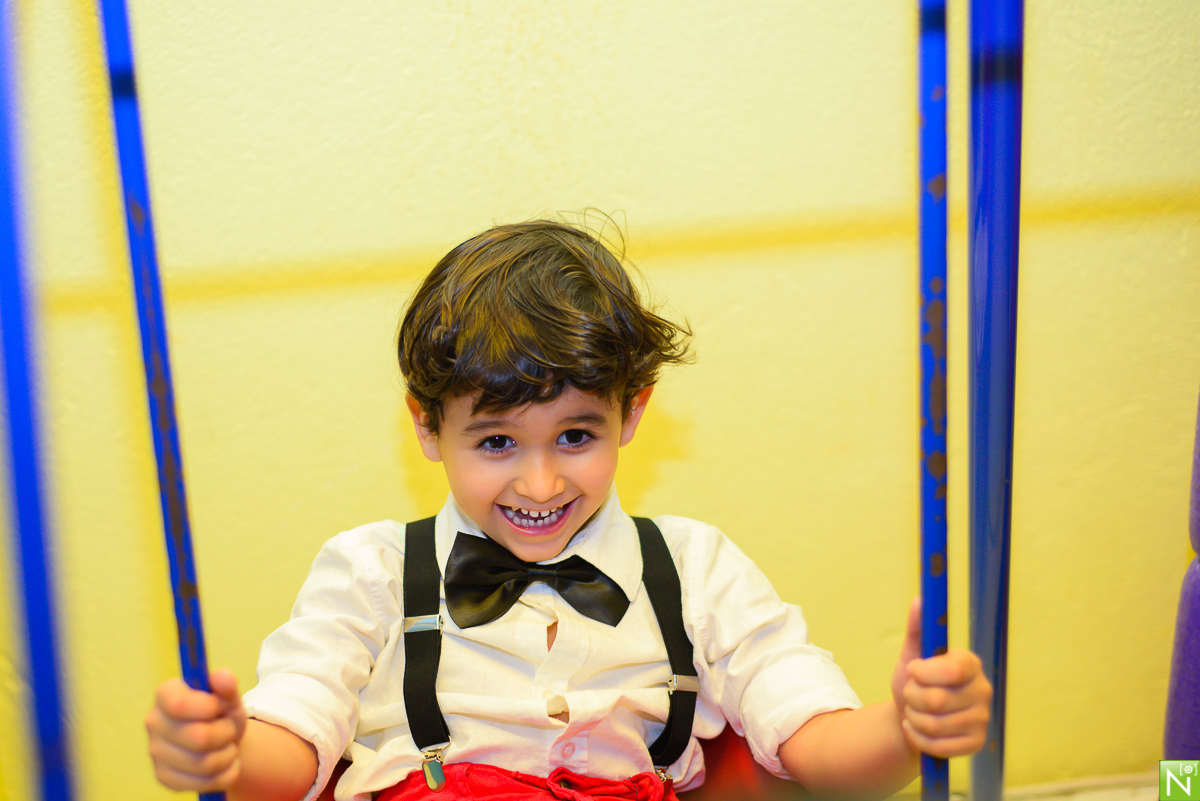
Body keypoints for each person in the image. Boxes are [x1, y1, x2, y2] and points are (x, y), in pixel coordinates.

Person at [145, 219, 991, 801]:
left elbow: (820, 749)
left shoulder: (696, 567)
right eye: (498, 442)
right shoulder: (367, 571)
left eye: (577, 433)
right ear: (426, 425)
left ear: (634, 410)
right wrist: (222, 755)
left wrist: (906, 729)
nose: (542, 484)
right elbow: (291, 752)